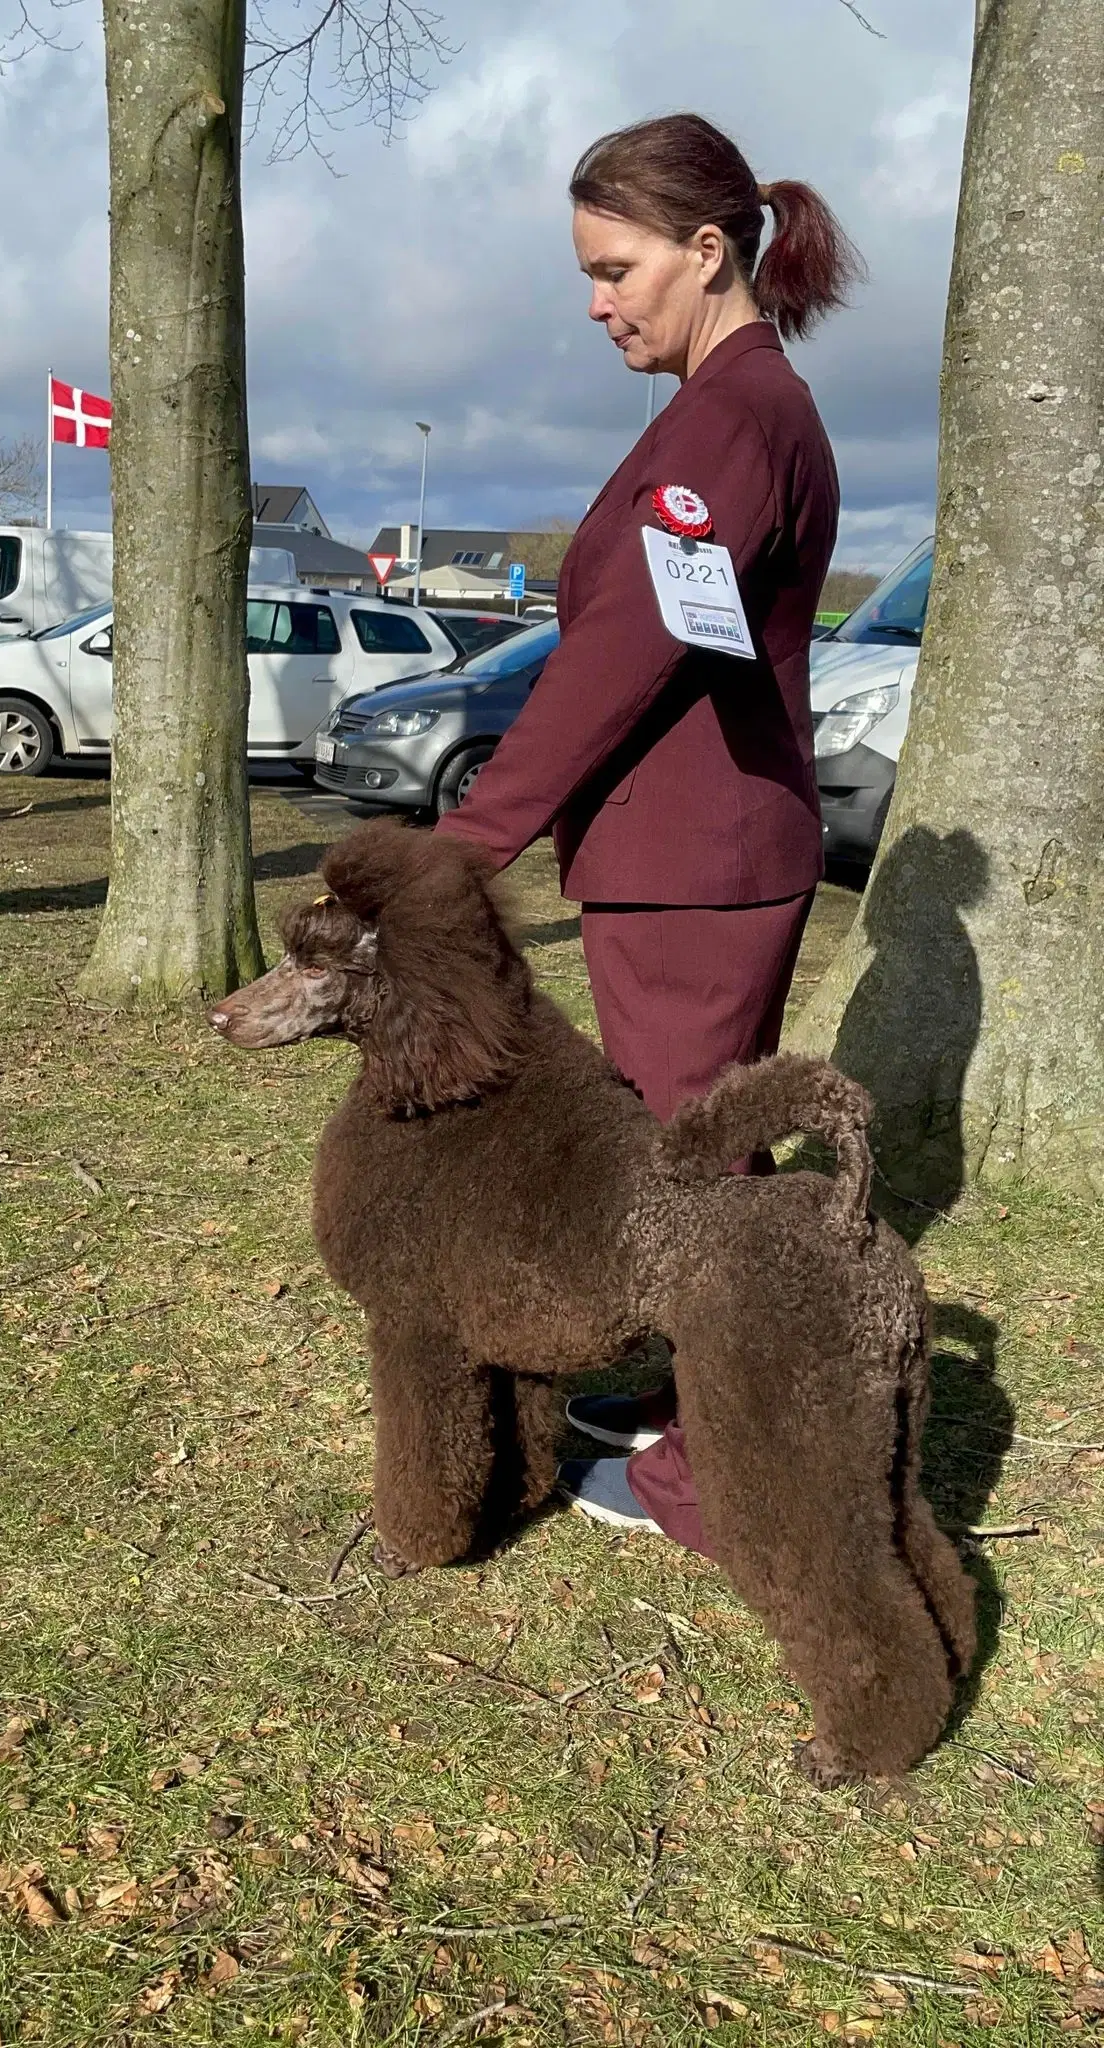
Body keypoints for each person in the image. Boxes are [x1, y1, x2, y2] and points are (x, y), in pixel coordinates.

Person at [434, 112, 861, 1554]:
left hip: (701, 871)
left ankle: (712, 1477)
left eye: (617, 268)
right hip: (678, 864)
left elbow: (627, 652)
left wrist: (474, 841)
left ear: (707, 248)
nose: (599, 302)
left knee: (701, 1185)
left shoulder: (733, 424)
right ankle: (685, 1399)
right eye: (587, 274)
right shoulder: (715, 413)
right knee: (678, 1160)